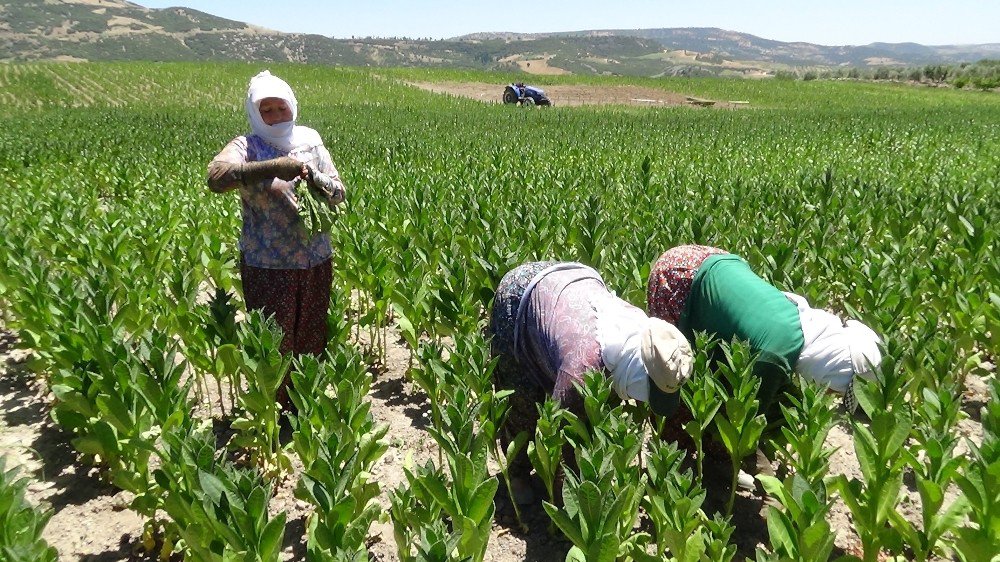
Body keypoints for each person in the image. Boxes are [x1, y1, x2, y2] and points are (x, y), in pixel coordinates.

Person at [489, 261, 694, 501]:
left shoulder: (635, 342)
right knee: (522, 400)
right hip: (520, 295)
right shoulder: (582, 369)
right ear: (639, 375)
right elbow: (557, 430)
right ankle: (518, 474)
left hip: (568, 287)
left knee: (591, 408)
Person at [206, 70, 346, 407]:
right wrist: (271, 167)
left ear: (292, 106)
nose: (274, 116)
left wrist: (316, 179)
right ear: (255, 113)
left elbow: (340, 193)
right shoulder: (247, 145)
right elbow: (216, 177)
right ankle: (276, 413)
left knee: (312, 334)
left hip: (316, 258)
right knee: (274, 343)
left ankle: (304, 403)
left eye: (280, 107)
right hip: (268, 265)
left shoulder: (310, 140)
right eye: (265, 110)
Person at [646, 244, 883, 416]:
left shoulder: (805, 324)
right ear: (831, 370)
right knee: (675, 376)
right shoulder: (775, 357)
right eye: (836, 390)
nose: (830, 396)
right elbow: (746, 417)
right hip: (680, 278)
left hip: (713, 259)